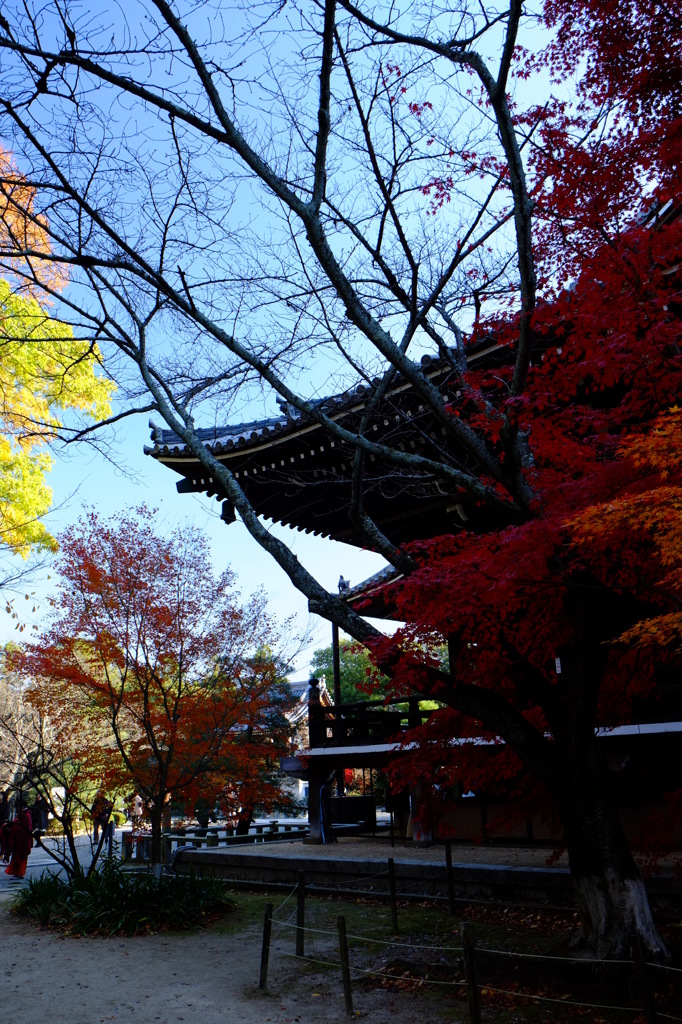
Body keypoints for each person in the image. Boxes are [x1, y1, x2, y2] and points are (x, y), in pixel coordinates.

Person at [4, 799, 32, 879]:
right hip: (18, 839)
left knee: (20, 856)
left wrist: (13, 828)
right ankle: (16, 872)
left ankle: (19, 873)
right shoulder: (21, 814)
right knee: (16, 856)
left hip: (23, 840)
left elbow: (26, 828)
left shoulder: (26, 815)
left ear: (22, 806)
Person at [0, 790, 11, 863]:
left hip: (3, 823)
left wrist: (5, 821)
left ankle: (3, 854)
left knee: (3, 840)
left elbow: (7, 814)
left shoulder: (6, 804)